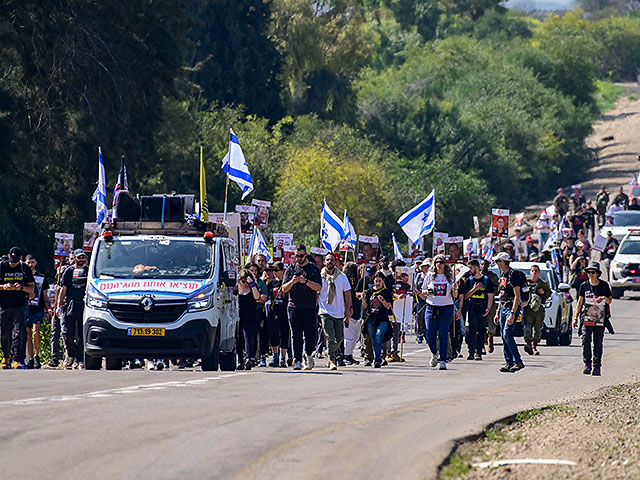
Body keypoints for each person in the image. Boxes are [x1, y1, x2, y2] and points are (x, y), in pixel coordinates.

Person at [282, 244, 322, 371]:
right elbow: (284, 288)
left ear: (305, 255)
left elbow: (319, 287)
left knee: (310, 335)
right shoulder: (291, 269)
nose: (298, 258)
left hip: (309, 308)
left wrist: (305, 281)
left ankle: (309, 354)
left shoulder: (313, 269)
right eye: (296, 256)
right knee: (296, 335)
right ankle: (297, 360)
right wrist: (292, 282)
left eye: (301, 255)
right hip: (294, 307)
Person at [573, 261, 612, 376]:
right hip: (586, 317)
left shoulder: (604, 285)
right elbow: (580, 303)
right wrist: (575, 317)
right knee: (585, 340)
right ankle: (587, 364)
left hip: (600, 317)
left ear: (597, 274)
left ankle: (596, 366)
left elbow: (610, 300)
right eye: (589, 272)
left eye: (593, 272)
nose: (590, 274)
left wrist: (603, 298)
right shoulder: (584, 286)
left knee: (598, 342)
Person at [0, 247, 35, 369]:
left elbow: (31, 288)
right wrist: (4, 287)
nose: (13, 263)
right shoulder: (2, 266)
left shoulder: (24, 268)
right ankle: (5, 356)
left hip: (20, 304)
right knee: (4, 332)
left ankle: (16, 359)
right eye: (11, 261)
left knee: (18, 331)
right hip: (4, 304)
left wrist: (21, 288)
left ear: (20, 258)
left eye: (15, 261)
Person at [318, 253, 351, 370]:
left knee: (340, 337)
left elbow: (347, 293)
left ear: (335, 262)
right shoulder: (319, 277)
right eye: (327, 260)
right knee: (330, 337)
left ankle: (330, 350)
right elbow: (317, 293)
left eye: (332, 260)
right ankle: (332, 359)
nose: (330, 262)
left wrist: (348, 310)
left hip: (339, 312)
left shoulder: (342, 277)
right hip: (324, 311)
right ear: (324, 262)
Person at [422, 254, 456, 370]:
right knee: (430, 334)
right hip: (431, 307)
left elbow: (455, 295)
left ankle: (443, 360)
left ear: (444, 264)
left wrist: (455, 289)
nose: (438, 264)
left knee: (443, 334)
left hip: (446, 307)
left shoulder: (450, 277)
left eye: (441, 262)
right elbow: (423, 289)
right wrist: (427, 292)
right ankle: (434, 353)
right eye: (436, 262)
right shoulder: (430, 276)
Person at [494, 251, 526, 373]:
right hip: (503, 307)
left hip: (512, 307)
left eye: (497, 261)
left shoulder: (513, 275)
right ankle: (509, 362)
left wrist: (512, 313)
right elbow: (502, 295)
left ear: (503, 262)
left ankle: (518, 361)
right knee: (503, 335)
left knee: (507, 333)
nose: (496, 264)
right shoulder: (503, 275)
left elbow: (517, 296)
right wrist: (497, 312)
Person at [57, 249, 89, 369]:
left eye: (83, 257)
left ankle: (80, 359)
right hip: (70, 305)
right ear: (74, 258)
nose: (81, 260)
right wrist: (59, 306)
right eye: (79, 257)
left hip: (83, 305)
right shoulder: (68, 271)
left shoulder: (88, 271)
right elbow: (63, 289)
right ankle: (71, 355)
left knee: (81, 333)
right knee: (66, 331)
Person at [463, 260, 494, 361]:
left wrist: (488, 308)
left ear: (476, 268)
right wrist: (474, 290)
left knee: (481, 331)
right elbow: (465, 296)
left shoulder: (486, 280)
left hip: (482, 308)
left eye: (471, 268)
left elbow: (490, 296)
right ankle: (471, 352)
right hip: (472, 308)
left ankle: (478, 352)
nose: (469, 271)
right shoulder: (469, 281)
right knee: (471, 331)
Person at [361, 272, 393, 368]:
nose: (377, 283)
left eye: (379, 281)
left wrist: (382, 300)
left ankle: (378, 359)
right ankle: (374, 358)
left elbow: (388, 307)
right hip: (371, 319)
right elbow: (365, 306)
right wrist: (363, 299)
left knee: (378, 338)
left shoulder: (386, 292)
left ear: (383, 281)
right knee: (373, 339)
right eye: (376, 281)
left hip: (382, 319)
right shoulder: (369, 292)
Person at [24, 255, 50, 369]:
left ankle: (37, 355)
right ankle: (30, 357)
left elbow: (45, 295)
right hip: (26, 309)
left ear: (36, 263)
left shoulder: (41, 277)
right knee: (28, 335)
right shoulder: (23, 277)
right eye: (28, 262)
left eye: (32, 262)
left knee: (36, 332)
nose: (30, 265)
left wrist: (48, 309)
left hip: (38, 308)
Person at [237, 268, 262, 370]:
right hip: (238, 316)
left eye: (247, 281)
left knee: (248, 336)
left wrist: (252, 284)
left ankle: (249, 358)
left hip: (250, 315)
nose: (245, 284)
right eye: (243, 281)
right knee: (238, 337)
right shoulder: (236, 288)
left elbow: (257, 297)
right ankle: (240, 360)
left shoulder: (252, 287)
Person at [523, 264, 551, 356]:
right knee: (527, 327)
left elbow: (549, 294)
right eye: (532, 271)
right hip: (528, 309)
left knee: (537, 330)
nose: (534, 272)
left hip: (538, 310)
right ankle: (529, 345)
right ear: (530, 272)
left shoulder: (543, 284)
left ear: (539, 273)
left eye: (536, 271)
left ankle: (534, 346)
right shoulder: (526, 283)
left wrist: (543, 292)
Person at [266, 262, 289, 367]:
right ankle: (275, 356)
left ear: (282, 270)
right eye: (273, 270)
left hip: (284, 312)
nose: (274, 273)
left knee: (284, 335)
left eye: (276, 270)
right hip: (273, 312)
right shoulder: (271, 283)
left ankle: (283, 358)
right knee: (274, 335)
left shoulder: (286, 282)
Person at [247, 261, 269, 367]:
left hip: (257, 312)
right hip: (246, 311)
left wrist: (256, 299)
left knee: (256, 335)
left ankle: (255, 357)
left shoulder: (260, 283)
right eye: (251, 271)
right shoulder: (243, 283)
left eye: (255, 271)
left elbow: (263, 298)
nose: (254, 272)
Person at [342, 263, 361, 365]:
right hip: (350, 311)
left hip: (356, 311)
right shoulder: (346, 282)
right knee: (349, 336)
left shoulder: (356, 283)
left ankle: (349, 354)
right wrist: (348, 308)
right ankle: (346, 355)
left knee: (356, 335)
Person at [481, 259, 499, 354]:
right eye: (482, 264)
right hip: (479, 302)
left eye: (485, 264)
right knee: (481, 325)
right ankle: (482, 345)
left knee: (491, 324)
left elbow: (498, 289)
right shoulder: (476, 276)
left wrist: (490, 289)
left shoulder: (492, 276)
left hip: (490, 302)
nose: (483, 266)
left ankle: (490, 338)